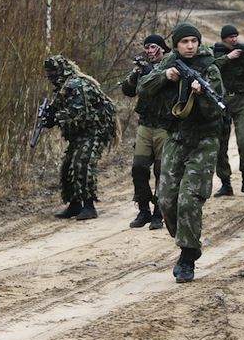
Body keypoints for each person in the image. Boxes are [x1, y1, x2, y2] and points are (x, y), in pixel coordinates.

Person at [137, 22, 224, 283]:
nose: (189, 46)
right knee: (165, 200)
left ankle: (187, 257)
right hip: (175, 137)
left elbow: (217, 109)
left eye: (193, 42)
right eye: (184, 42)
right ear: (175, 45)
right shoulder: (169, 64)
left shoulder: (210, 68)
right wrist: (166, 76)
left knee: (189, 198)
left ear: (198, 44)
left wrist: (201, 96)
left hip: (204, 140)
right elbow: (142, 89)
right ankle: (189, 244)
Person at [43, 55, 118, 221]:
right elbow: (61, 109)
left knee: (82, 164)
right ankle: (74, 204)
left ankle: (89, 206)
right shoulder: (63, 87)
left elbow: (79, 113)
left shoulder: (77, 84)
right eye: (48, 73)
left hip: (95, 131)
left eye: (52, 72)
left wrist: (56, 118)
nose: (50, 77)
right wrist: (50, 116)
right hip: (80, 133)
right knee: (67, 165)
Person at [121, 34, 171, 230]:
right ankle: (143, 209)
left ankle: (159, 212)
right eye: (147, 47)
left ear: (163, 48)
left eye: (153, 47)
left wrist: (153, 73)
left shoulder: (171, 65)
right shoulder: (143, 69)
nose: (150, 51)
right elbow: (128, 90)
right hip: (145, 124)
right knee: (139, 168)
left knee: (162, 170)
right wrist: (136, 74)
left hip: (165, 126)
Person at [212, 24, 244, 197]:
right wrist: (228, 57)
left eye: (236, 36)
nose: (234, 39)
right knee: (220, 144)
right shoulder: (216, 52)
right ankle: (225, 183)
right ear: (223, 38)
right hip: (221, 102)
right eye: (230, 37)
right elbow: (210, 69)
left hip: (241, 101)